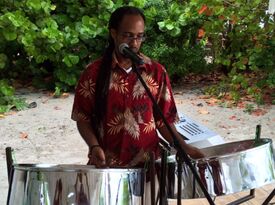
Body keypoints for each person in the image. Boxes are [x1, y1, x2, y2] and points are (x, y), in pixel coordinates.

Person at [71, 6, 204, 168]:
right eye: (128, 36)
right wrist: (94, 146)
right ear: (114, 33)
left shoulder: (156, 72)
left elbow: (163, 120)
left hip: (149, 167)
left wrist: (184, 147)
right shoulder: (93, 73)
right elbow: (82, 118)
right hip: (107, 166)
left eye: (139, 37)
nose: (134, 43)